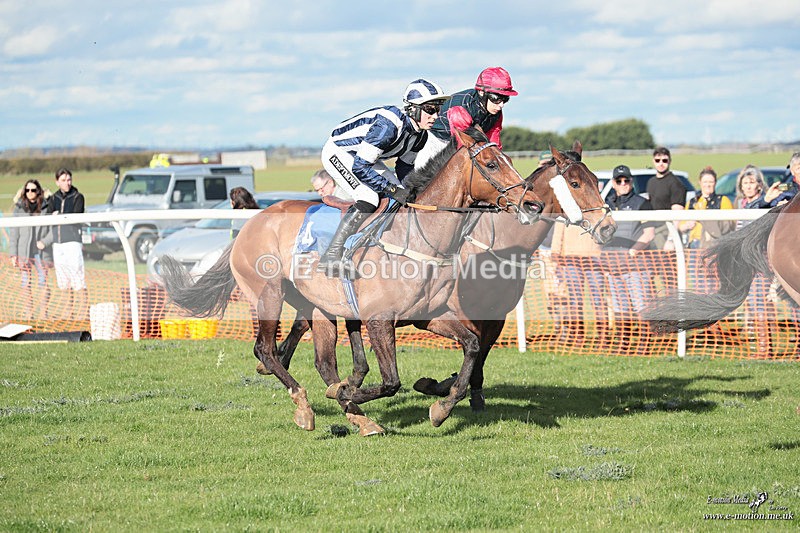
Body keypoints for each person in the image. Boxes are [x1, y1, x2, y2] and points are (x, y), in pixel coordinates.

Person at [317, 78, 450, 275]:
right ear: (413, 109)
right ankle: (332, 254)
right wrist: (393, 190)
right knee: (369, 196)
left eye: (438, 109)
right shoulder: (389, 126)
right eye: (430, 109)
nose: (435, 115)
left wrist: (409, 191)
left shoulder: (420, 134)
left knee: (400, 196)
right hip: (340, 152)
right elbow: (361, 167)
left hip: (364, 157)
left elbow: (404, 168)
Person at [601, 165, 657, 350]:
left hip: (636, 266)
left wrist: (632, 252)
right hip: (613, 265)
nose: (623, 184)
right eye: (619, 181)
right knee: (620, 306)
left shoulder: (642, 203)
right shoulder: (606, 204)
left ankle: (644, 343)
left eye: (626, 180)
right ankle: (624, 343)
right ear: (613, 183)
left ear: (632, 181)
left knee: (641, 304)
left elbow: (649, 234)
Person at [416, 67, 518, 168]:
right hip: (435, 140)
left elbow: (494, 143)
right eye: (496, 98)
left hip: (460, 140)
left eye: (505, 99)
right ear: (481, 93)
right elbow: (462, 147)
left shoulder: (496, 112)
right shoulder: (462, 109)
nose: (501, 105)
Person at [732, 165, 773, 355]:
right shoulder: (739, 204)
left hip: (759, 260)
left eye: (752, 182)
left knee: (760, 303)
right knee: (751, 303)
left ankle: (765, 347)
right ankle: (760, 344)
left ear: (759, 185)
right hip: (743, 261)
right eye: (745, 182)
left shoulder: (764, 204)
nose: (748, 186)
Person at [40, 168, 87, 319]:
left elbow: (76, 216)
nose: (67, 183)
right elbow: (48, 216)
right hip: (58, 244)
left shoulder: (78, 197)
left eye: (69, 180)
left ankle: (83, 313)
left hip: (72, 242)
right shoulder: (53, 198)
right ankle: (68, 313)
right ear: (57, 182)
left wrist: (59, 215)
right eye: (63, 180)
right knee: (63, 281)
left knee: (78, 279)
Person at [679, 166, 734, 293]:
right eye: (705, 182)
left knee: (713, 282)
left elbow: (729, 225)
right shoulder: (693, 202)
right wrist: (688, 224)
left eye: (711, 182)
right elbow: (681, 226)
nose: (708, 185)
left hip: (713, 246)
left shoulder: (723, 201)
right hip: (694, 246)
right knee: (697, 282)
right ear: (700, 183)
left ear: (715, 183)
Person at [8, 179, 51, 320]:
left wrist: (45, 242)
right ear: (24, 192)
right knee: (25, 283)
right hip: (23, 252)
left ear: (38, 191)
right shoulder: (19, 208)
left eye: (33, 190)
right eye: (27, 190)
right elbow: (14, 232)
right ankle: (29, 314)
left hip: (41, 252)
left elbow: (53, 228)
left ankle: (44, 314)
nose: (30, 193)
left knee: (43, 282)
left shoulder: (46, 206)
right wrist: (13, 254)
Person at [646, 147, 686, 250]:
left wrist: (671, 239)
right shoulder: (651, 182)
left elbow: (677, 215)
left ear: (670, 161)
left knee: (667, 265)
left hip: (667, 230)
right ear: (653, 161)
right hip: (653, 230)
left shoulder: (675, 183)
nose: (661, 163)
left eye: (664, 160)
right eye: (657, 160)